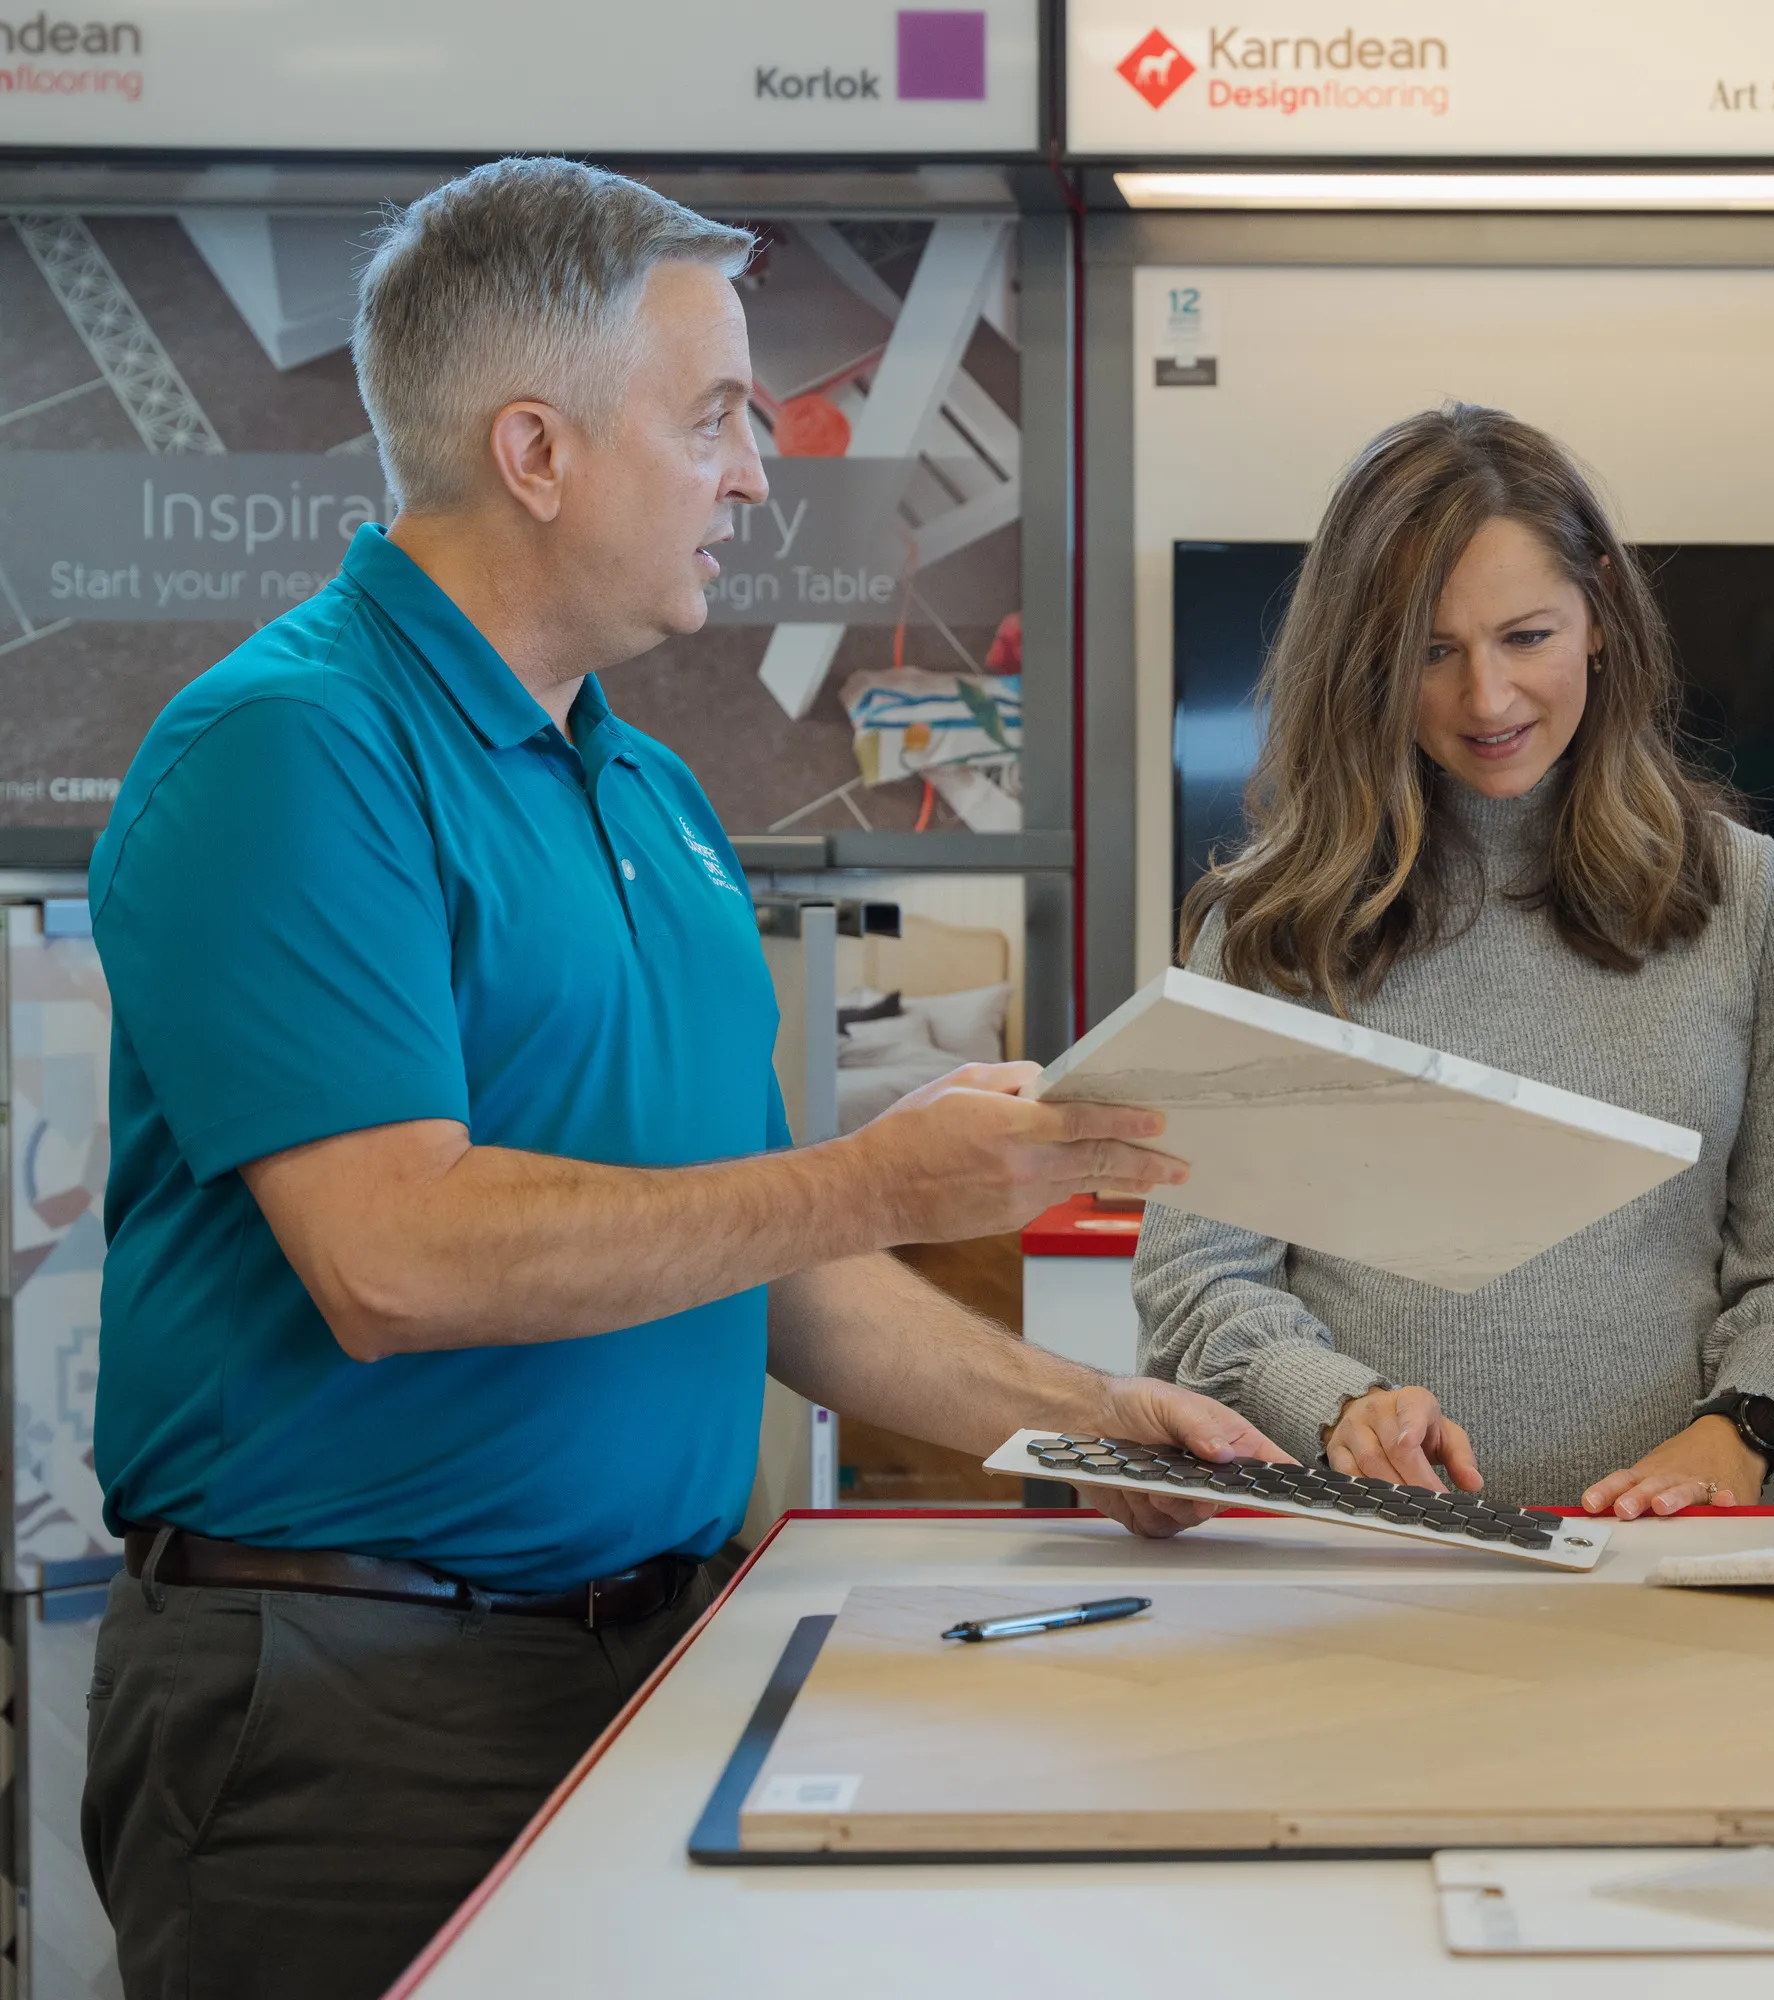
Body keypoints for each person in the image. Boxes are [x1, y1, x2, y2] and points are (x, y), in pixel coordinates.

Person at [80, 159, 1280, 2000]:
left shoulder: (643, 788)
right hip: (348, 1712)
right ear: (538, 452)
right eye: (716, 414)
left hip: (651, 1658)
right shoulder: (291, 754)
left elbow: (749, 1251)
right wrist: (874, 1182)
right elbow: (394, 1259)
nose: (757, 467)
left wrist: (1077, 1419)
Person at [1137, 405, 1774, 1517]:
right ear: (1364, 658)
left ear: (1597, 611)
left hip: (1660, 1562)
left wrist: (1740, 1426)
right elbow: (1198, 1276)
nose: (1485, 699)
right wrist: (1341, 1406)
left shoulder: (1745, 894)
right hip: (1357, 1560)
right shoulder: (1269, 921)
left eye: (1524, 636)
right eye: (1430, 653)